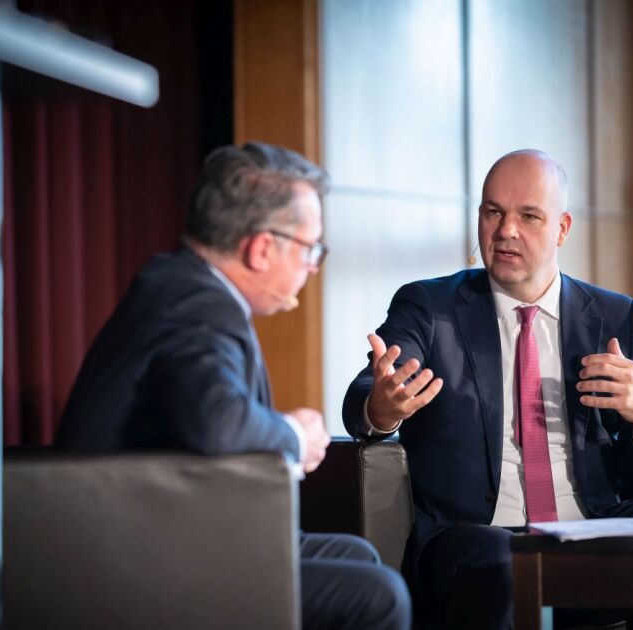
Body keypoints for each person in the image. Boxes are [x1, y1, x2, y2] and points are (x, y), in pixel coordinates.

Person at [343, 149, 633, 629]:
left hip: (595, 523)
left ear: (562, 228)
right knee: (501, 559)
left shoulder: (618, 319)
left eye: (528, 216)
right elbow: (367, 392)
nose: (506, 230)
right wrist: (382, 408)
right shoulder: (431, 307)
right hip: (477, 533)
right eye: (493, 212)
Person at [57, 141, 410, 630]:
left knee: (358, 555)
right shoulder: (196, 304)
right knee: (380, 596)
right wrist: (294, 435)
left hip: (170, 522)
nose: (313, 266)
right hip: (139, 551)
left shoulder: (183, 284)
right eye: (311, 249)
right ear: (263, 248)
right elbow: (218, 422)